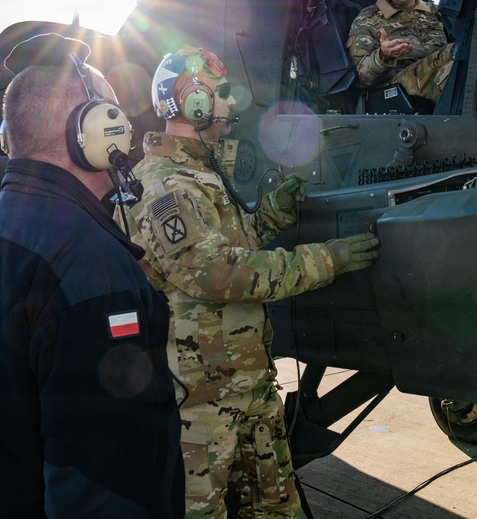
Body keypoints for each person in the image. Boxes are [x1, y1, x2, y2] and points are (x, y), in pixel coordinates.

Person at [0, 33, 184, 518]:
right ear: (90, 128)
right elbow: (107, 478)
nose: (123, 129)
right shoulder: (88, 259)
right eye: (113, 114)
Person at [129, 45, 379, 518]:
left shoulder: (200, 174)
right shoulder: (165, 187)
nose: (230, 104)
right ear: (192, 101)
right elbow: (218, 274)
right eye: (220, 93)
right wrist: (331, 259)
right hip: (200, 409)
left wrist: (270, 216)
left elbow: (231, 246)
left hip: (249, 391)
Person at [347, 0, 454, 105]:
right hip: (395, 92)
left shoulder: (436, 12)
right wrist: (383, 56)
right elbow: (360, 78)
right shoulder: (367, 19)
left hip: (437, 82)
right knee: (452, 53)